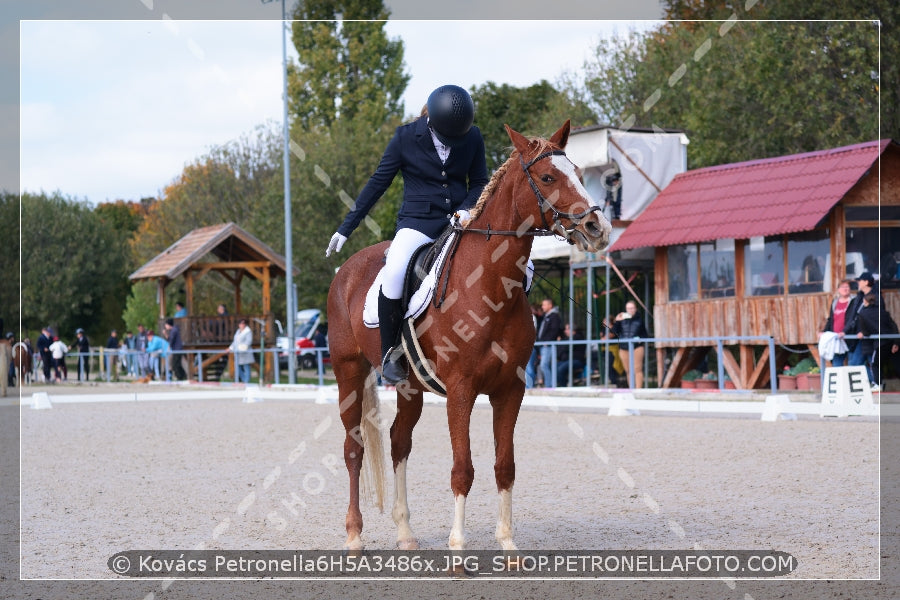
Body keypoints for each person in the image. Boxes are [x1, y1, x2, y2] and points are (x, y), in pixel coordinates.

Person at [325, 84, 488, 384]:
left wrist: (467, 208)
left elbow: (479, 180)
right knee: (396, 271)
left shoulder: (473, 136)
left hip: (460, 222)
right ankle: (390, 353)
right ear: (431, 122)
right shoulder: (404, 138)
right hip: (418, 223)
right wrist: (346, 228)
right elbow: (378, 184)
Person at [856, 292, 895, 390]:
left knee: (874, 363)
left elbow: (866, 332)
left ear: (865, 301)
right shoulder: (883, 312)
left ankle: (878, 384)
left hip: (880, 342)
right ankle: (880, 384)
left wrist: (862, 333)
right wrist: (896, 342)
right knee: (893, 363)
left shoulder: (863, 313)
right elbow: (893, 326)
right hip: (891, 340)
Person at [611, 300, 650, 389]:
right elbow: (613, 332)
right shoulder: (621, 320)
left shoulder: (640, 320)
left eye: (632, 308)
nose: (630, 310)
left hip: (636, 347)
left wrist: (641, 339)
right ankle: (631, 389)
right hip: (624, 347)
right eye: (628, 308)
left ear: (635, 309)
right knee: (628, 370)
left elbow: (645, 334)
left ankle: (638, 389)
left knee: (637, 369)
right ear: (626, 309)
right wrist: (617, 321)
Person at [819, 279, 856, 366]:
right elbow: (831, 319)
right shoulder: (835, 302)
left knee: (854, 365)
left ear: (850, 289)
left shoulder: (854, 301)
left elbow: (853, 319)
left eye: (847, 287)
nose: (845, 289)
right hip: (837, 339)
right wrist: (824, 332)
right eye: (842, 287)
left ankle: (875, 379)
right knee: (837, 364)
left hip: (850, 337)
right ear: (838, 289)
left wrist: (845, 332)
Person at [847, 272, 880, 369]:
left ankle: (876, 382)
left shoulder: (876, 297)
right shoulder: (859, 297)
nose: (858, 283)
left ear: (866, 282)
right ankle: (874, 382)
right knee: (858, 363)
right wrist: (846, 331)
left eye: (859, 281)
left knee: (858, 364)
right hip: (860, 336)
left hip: (869, 336)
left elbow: (876, 318)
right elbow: (854, 316)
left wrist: (865, 331)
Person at [536, 298, 563, 387]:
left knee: (544, 365)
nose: (542, 307)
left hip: (548, 345)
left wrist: (546, 341)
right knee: (543, 365)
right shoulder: (547, 316)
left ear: (550, 305)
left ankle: (549, 385)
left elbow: (554, 330)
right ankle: (549, 384)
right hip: (544, 345)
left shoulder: (554, 316)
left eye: (544, 305)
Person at [525, 303, 543, 388]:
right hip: (524, 346)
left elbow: (531, 331)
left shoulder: (531, 317)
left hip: (529, 346)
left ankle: (529, 387)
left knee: (529, 368)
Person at [229, 318, 254, 383]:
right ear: (238, 324)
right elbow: (235, 342)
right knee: (237, 367)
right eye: (241, 323)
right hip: (238, 353)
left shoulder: (248, 331)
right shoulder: (238, 332)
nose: (242, 325)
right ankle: (244, 380)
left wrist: (241, 348)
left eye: (243, 323)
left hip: (245, 353)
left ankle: (247, 381)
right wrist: (230, 348)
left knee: (246, 366)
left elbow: (248, 342)